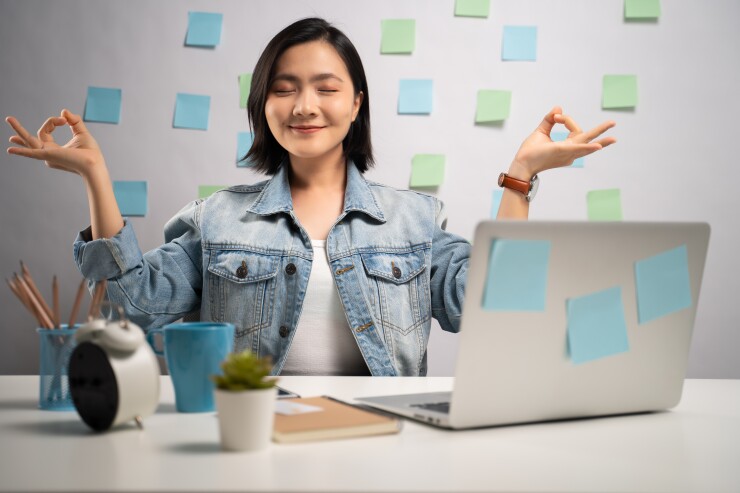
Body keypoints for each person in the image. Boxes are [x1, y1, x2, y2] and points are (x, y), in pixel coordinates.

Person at [5, 17, 616, 376]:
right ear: (263, 105)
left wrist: (520, 176)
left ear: (355, 106)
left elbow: (489, 305)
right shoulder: (218, 217)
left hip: (387, 445)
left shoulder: (415, 218)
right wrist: (96, 177)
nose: (303, 105)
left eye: (326, 88)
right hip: (252, 442)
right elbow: (137, 304)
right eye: (284, 88)